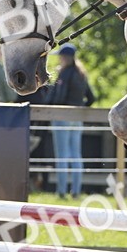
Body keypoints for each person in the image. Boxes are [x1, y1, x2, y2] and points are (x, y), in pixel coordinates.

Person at [49, 44, 94, 198]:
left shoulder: (64, 74)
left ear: (65, 57)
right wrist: (81, 108)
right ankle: (76, 191)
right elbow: (91, 98)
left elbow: (59, 97)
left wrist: (52, 106)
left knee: (62, 155)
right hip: (77, 117)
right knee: (76, 155)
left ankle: (61, 191)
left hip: (62, 116)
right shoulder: (81, 74)